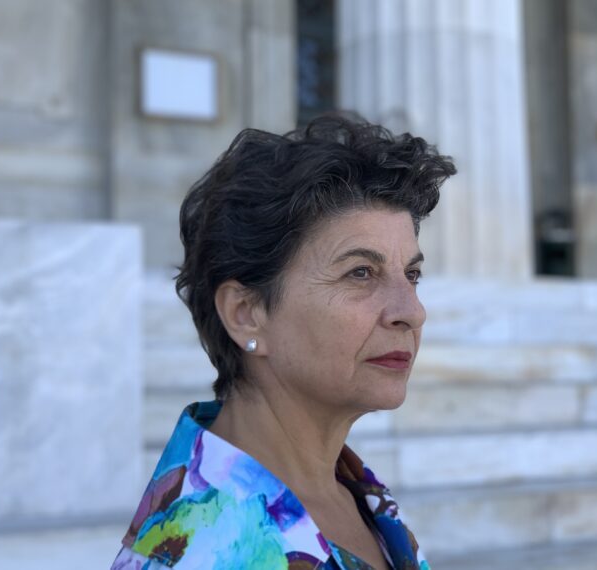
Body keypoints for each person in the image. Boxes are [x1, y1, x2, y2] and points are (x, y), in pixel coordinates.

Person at [111, 115, 455, 569]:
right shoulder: (193, 553)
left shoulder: (355, 494)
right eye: (360, 273)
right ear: (246, 314)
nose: (412, 311)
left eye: (411, 274)